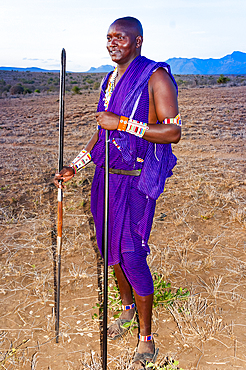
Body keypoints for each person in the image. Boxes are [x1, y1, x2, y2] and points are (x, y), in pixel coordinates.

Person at [54, 16, 181, 369]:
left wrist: (124, 123)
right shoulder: (109, 80)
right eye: (109, 37)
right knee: (110, 248)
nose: (112, 43)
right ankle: (126, 310)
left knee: (132, 254)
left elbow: (173, 133)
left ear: (137, 41)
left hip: (136, 182)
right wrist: (75, 166)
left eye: (120, 38)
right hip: (105, 179)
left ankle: (146, 338)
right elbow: (101, 134)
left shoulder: (156, 76)